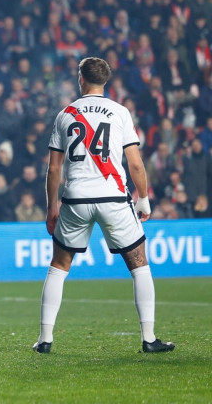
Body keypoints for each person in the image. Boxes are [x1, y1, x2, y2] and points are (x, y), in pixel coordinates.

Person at [34, 57, 174, 354]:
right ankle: (149, 339)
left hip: (76, 198)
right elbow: (135, 163)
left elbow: (54, 170)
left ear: (80, 79)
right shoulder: (120, 112)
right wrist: (144, 199)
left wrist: (51, 209)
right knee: (139, 264)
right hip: (113, 197)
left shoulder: (65, 115)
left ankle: (45, 339)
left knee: (59, 266)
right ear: (105, 81)